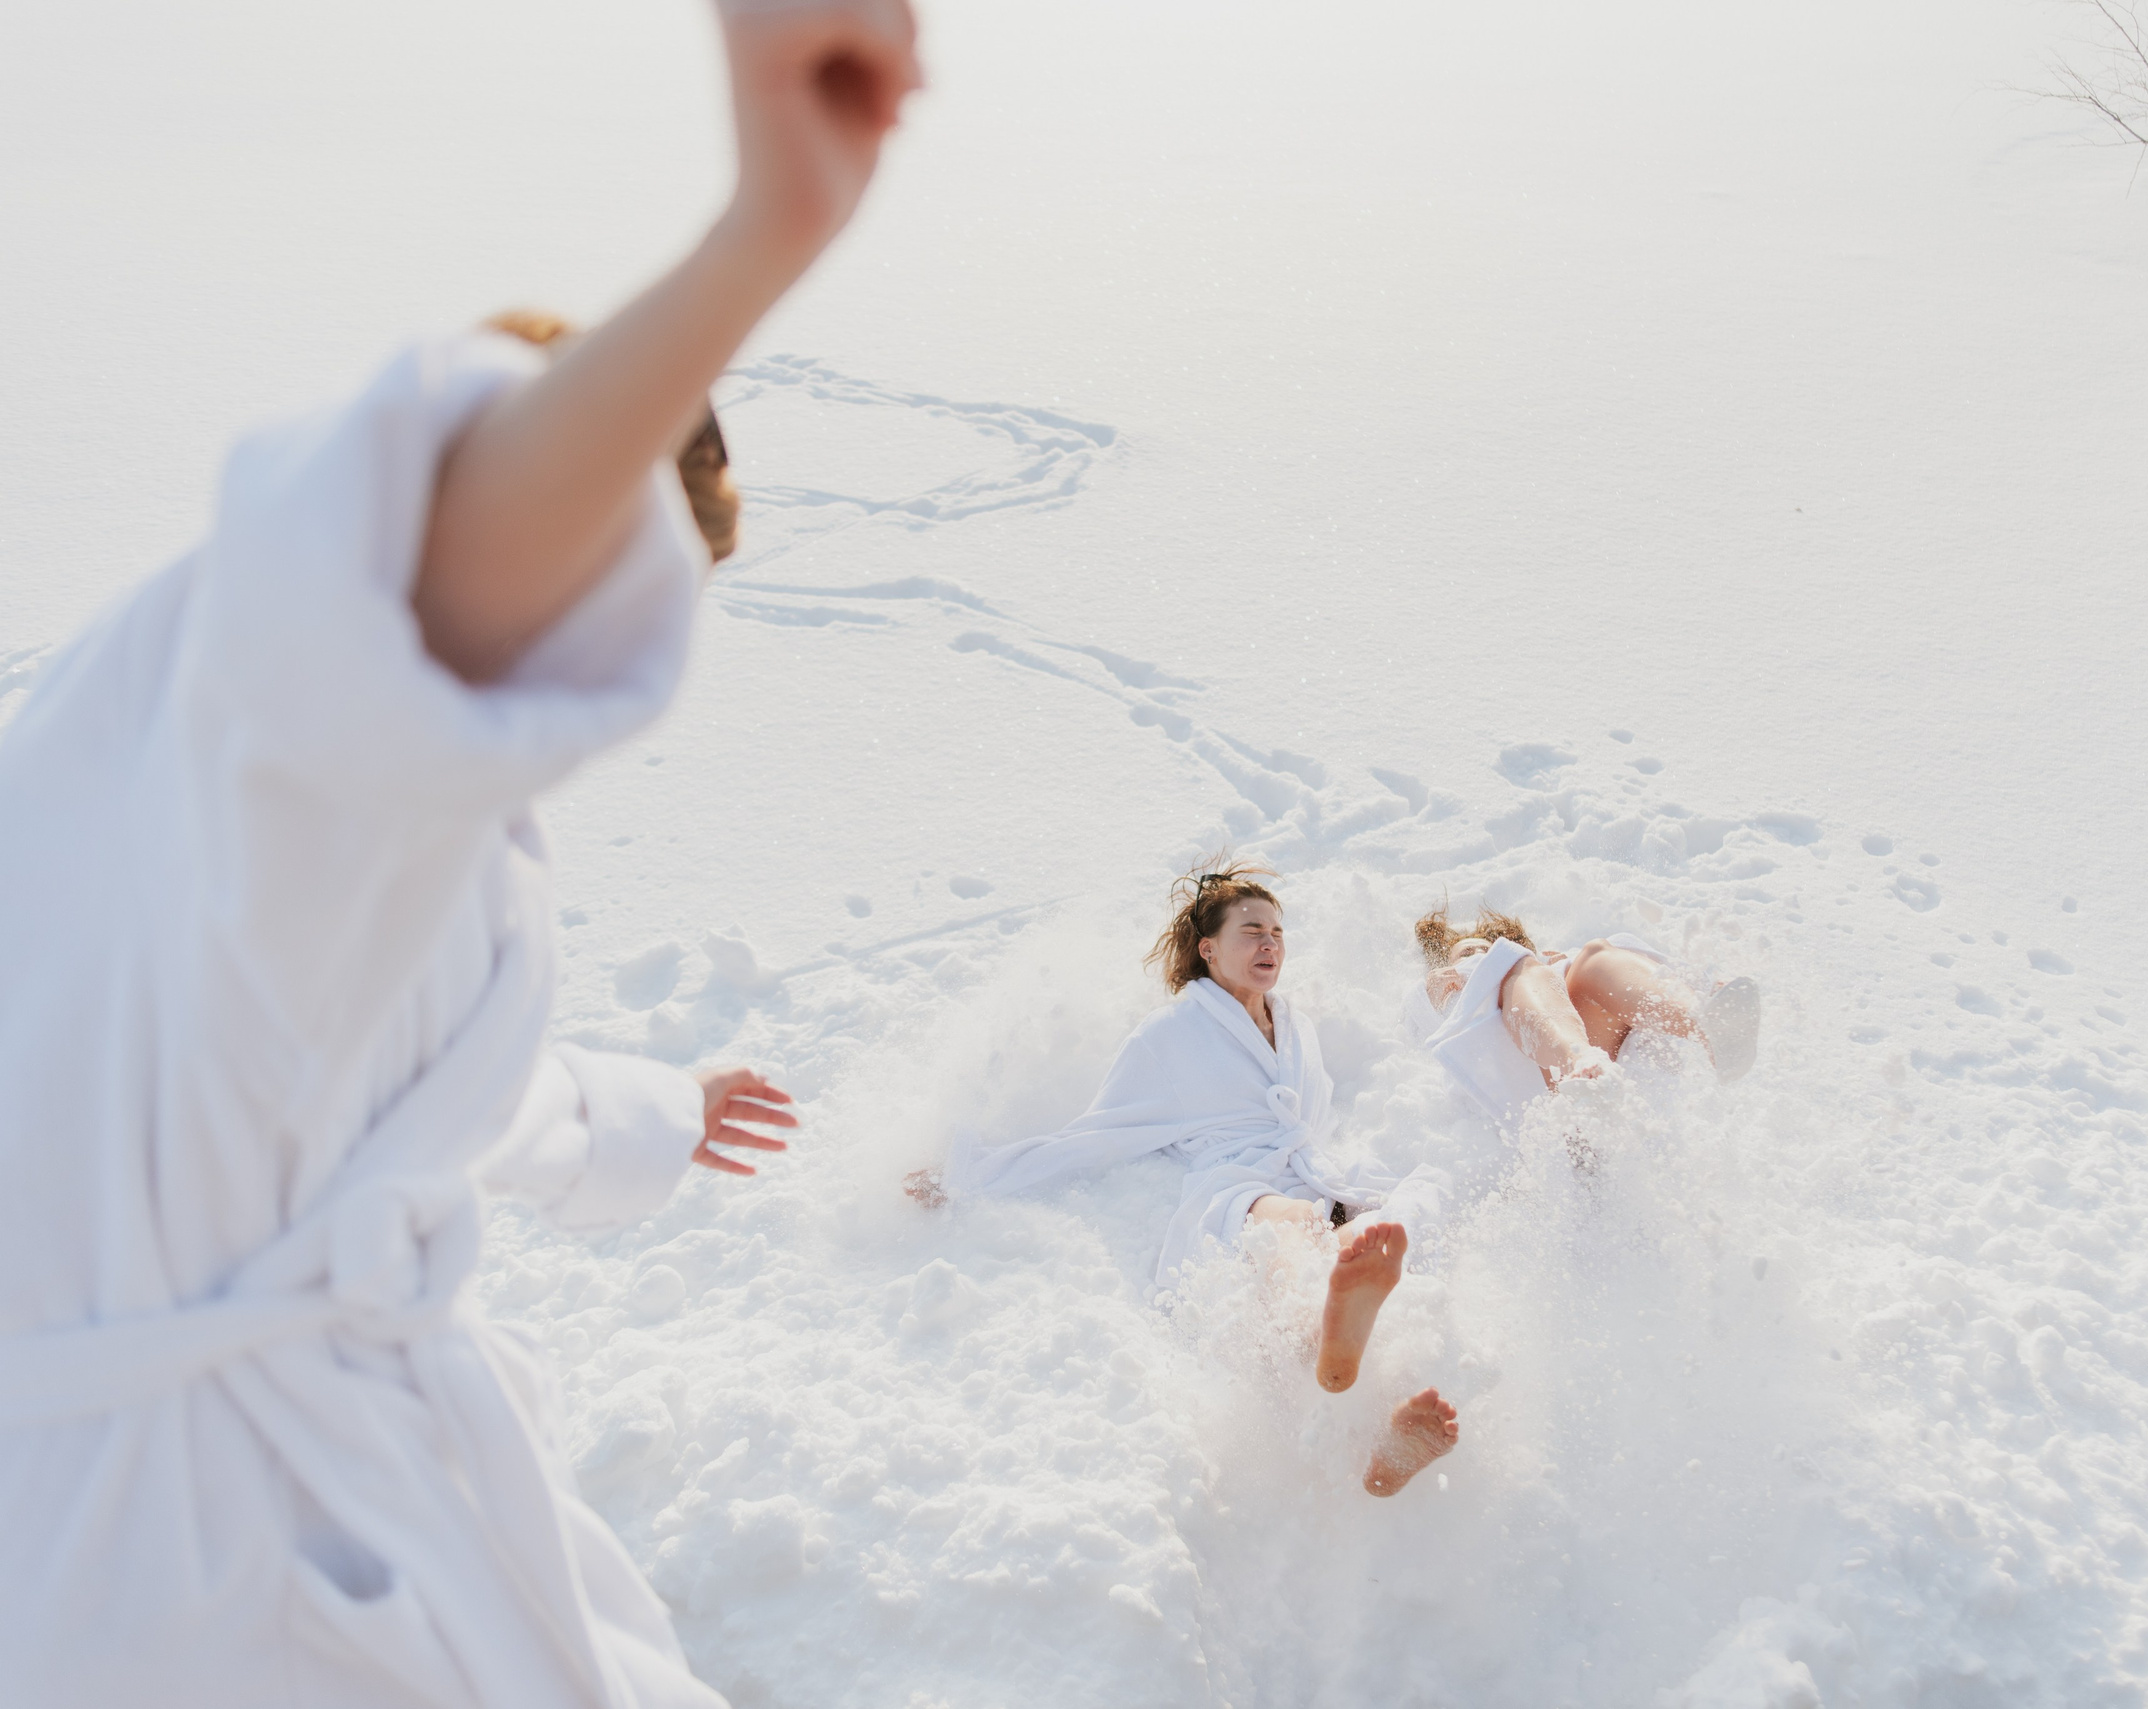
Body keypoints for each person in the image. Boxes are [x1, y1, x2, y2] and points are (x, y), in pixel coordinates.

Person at [0, 2, 918, 1703]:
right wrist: (760, 237)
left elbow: (373, 1098)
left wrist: (645, 1104)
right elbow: (415, 587)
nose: (578, 671)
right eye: (614, 588)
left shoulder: (238, 802)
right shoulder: (276, 683)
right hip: (221, 1573)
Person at [912, 866, 1462, 1498]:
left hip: (1318, 1174)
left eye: (1278, 933)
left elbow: (1314, 1118)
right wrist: (968, 1177)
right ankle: (1317, 1328)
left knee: (1400, 1215)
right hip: (1242, 1187)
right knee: (1293, 1227)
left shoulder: (1297, 1025)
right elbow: (1094, 1135)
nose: (1270, 945)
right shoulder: (1167, 1037)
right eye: (1251, 931)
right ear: (1209, 948)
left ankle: (1387, 1429)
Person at [1409, 904, 1761, 1130]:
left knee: (1594, 954)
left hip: (1601, 1059)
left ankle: (1704, 1022)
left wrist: (1561, 967)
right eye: (1467, 953)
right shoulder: (1448, 993)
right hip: (1538, 1092)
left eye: (1486, 949)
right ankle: (1582, 1067)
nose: (1481, 956)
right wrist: (1431, 999)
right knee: (1520, 969)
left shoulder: (1539, 966)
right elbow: (1420, 1049)